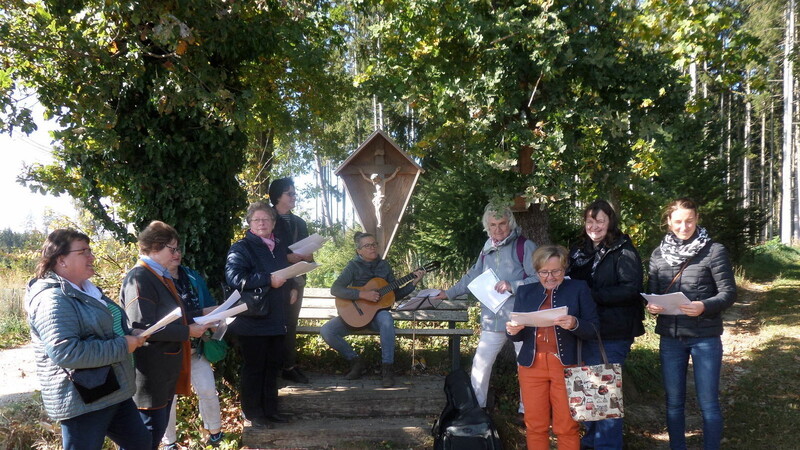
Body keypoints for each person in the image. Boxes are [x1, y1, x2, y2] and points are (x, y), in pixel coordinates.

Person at [25, 229, 150, 450]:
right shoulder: (52, 299)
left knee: (140, 444)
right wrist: (123, 345)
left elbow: (106, 329)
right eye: (84, 251)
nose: (92, 257)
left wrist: (129, 334)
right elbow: (66, 352)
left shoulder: (87, 290)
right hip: (82, 400)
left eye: (90, 250)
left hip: (112, 391)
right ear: (61, 260)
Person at [647, 198, 736, 450]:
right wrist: (652, 306)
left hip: (705, 337)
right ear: (668, 222)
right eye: (678, 221)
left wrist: (703, 306)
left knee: (708, 403)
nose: (684, 227)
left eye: (689, 221)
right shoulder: (658, 254)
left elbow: (728, 293)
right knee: (674, 402)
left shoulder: (714, 250)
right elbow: (651, 292)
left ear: (697, 219)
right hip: (671, 338)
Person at [433, 203, 538, 408]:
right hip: (493, 318)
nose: (497, 229)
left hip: (520, 318)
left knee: (525, 366)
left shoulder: (525, 246)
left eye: (502, 224)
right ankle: (475, 410)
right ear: (487, 227)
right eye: (493, 225)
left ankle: (527, 411)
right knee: (480, 365)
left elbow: (540, 278)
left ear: (511, 223)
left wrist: (513, 285)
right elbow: (473, 275)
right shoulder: (487, 246)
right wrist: (449, 293)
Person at [121, 221, 212, 449]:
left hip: (163, 373)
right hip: (150, 376)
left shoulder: (157, 275)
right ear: (154, 247)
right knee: (145, 440)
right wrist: (187, 331)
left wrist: (199, 314)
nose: (176, 254)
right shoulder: (140, 278)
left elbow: (169, 317)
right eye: (171, 249)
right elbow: (142, 328)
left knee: (152, 436)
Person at [566, 199, 644, 449]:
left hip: (613, 331)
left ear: (610, 221)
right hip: (585, 330)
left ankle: (607, 445)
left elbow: (631, 290)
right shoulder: (578, 250)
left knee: (605, 392)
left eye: (600, 220)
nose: (594, 226)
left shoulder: (624, 250)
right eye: (590, 221)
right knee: (588, 391)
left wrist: (590, 296)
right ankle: (591, 442)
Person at [506, 245, 599, 450]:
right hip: (531, 366)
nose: (550, 277)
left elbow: (593, 328)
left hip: (567, 366)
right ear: (537, 271)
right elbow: (517, 334)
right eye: (544, 272)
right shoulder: (525, 292)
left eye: (556, 271)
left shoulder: (578, 288)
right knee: (534, 425)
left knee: (567, 425)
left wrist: (574, 323)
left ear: (564, 269)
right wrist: (512, 331)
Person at [321, 232, 425, 387]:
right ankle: (356, 362)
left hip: (377, 316)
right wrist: (362, 294)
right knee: (327, 330)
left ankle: (387, 369)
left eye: (374, 244)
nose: (372, 248)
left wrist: (413, 283)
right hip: (355, 315)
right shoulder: (353, 266)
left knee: (386, 318)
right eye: (367, 245)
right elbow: (335, 289)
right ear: (359, 251)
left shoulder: (384, 266)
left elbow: (393, 295)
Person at [225, 201, 295, 428]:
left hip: (276, 318)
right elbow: (235, 278)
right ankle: (253, 414)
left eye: (266, 219)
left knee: (273, 366)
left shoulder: (278, 246)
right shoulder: (241, 248)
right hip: (252, 320)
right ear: (250, 224)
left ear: (273, 223)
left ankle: (270, 411)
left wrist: (292, 286)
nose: (262, 223)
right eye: (257, 220)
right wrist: (267, 279)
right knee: (255, 368)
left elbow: (285, 273)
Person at [161, 259, 225, 449]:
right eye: (170, 249)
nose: (175, 254)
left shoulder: (191, 276)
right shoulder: (154, 279)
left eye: (177, 248)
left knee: (207, 389)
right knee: (168, 398)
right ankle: (169, 443)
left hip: (196, 348)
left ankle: (215, 433)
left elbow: (209, 303)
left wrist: (214, 321)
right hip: (169, 350)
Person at [269, 177, 312, 384]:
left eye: (295, 193)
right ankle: (273, 367)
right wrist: (286, 258)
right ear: (277, 196)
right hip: (271, 281)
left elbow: (306, 251)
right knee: (273, 324)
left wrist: (309, 257)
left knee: (290, 324)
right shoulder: (265, 220)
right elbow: (262, 253)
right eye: (290, 193)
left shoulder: (299, 223)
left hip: (297, 279)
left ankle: (288, 366)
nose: (295, 197)